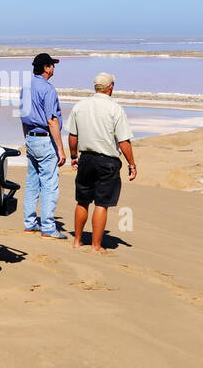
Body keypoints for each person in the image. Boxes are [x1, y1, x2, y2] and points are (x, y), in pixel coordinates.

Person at [66, 72, 137, 253]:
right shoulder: (115, 109)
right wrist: (132, 164)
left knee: (82, 201)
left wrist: (74, 156)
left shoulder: (80, 106)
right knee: (101, 203)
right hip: (107, 160)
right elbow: (123, 141)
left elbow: (73, 136)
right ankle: (96, 246)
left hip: (86, 158)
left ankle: (77, 241)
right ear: (110, 87)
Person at [18, 52, 68, 238]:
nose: (54, 68)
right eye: (52, 65)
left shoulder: (26, 87)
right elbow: (51, 120)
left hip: (31, 137)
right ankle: (48, 227)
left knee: (32, 182)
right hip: (45, 139)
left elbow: (23, 117)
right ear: (46, 68)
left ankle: (29, 222)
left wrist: (26, 139)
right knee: (49, 184)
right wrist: (61, 149)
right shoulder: (48, 89)